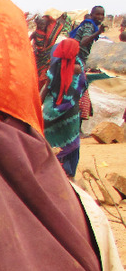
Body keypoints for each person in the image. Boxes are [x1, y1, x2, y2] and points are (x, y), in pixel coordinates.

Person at [40, 38, 87, 178]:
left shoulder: (54, 68)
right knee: (71, 142)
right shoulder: (79, 67)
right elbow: (82, 88)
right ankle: (68, 173)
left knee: (49, 143)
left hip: (50, 113)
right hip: (70, 113)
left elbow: (45, 90)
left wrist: (37, 107)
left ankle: (49, 173)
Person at [31, 13, 67, 91]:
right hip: (37, 56)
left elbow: (56, 30)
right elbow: (28, 42)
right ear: (37, 24)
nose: (42, 25)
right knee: (34, 73)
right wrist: (33, 49)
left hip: (45, 58)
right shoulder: (35, 33)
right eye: (40, 24)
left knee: (43, 76)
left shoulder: (48, 35)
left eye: (44, 24)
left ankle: (38, 91)